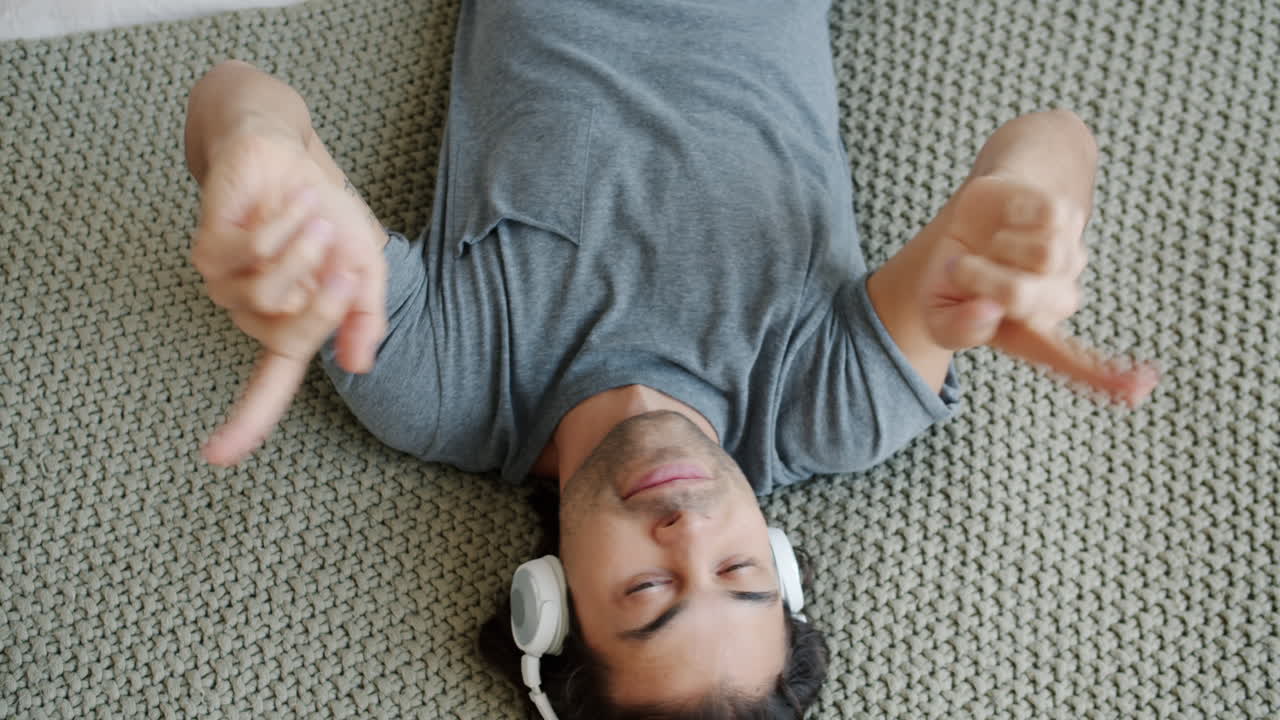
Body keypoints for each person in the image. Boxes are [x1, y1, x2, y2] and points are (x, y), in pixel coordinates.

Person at [183, 2, 1157, 717]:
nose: (687, 527)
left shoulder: (439, 385)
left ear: (551, 604)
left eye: (648, 591)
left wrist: (254, 148)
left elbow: (230, 91)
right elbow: (1054, 135)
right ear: (780, 562)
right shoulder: (829, 406)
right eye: (739, 570)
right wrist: (1027, 198)